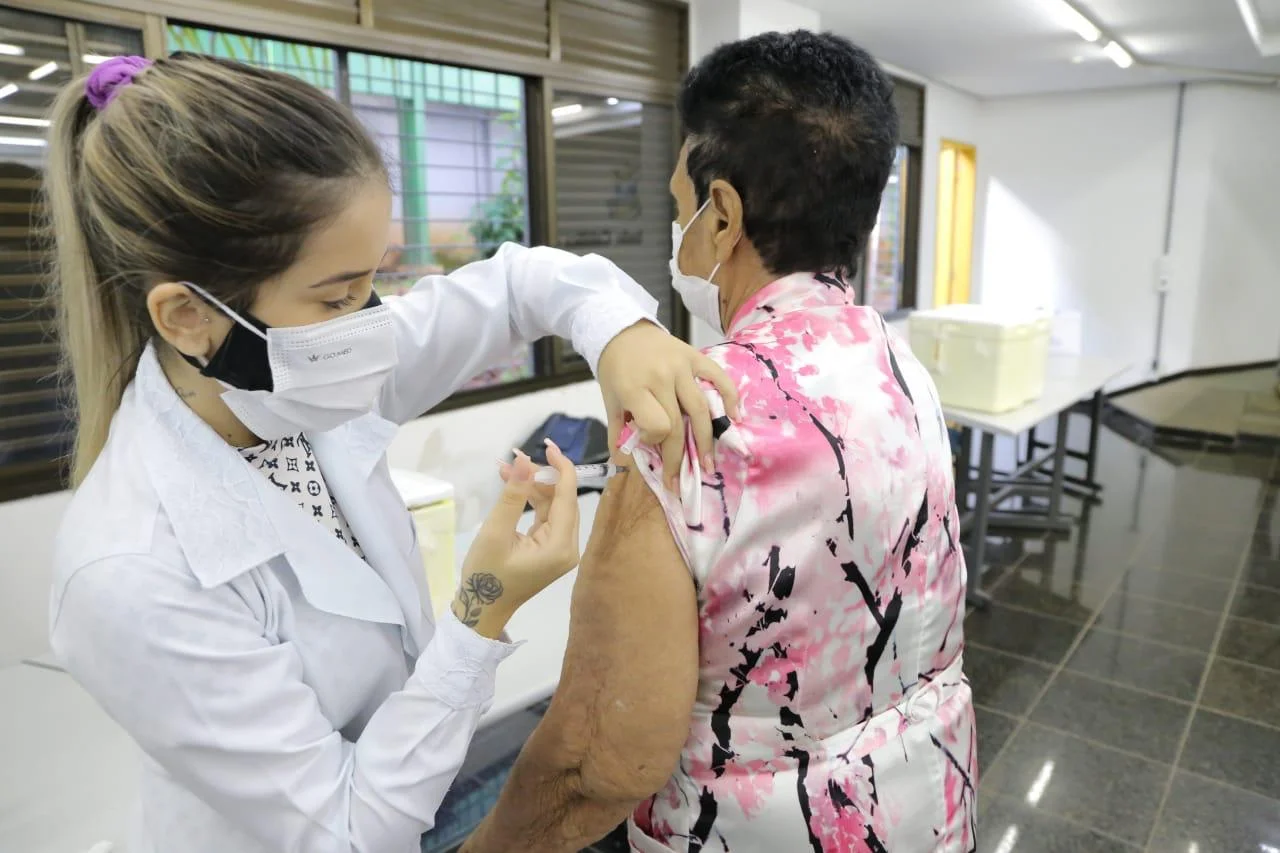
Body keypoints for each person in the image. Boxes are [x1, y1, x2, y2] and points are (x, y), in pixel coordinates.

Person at [44, 54, 738, 853]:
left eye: (373, 282)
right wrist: (481, 607)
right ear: (188, 318)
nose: (370, 323)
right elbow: (346, 830)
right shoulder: (127, 570)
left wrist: (621, 333)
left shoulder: (301, 375)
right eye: (337, 296)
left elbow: (522, 284)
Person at [462, 31, 976, 853]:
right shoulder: (899, 364)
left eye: (679, 210)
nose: (678, 232)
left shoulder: (693, 421)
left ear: (724, 214)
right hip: (926, 800)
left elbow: (603, 757)